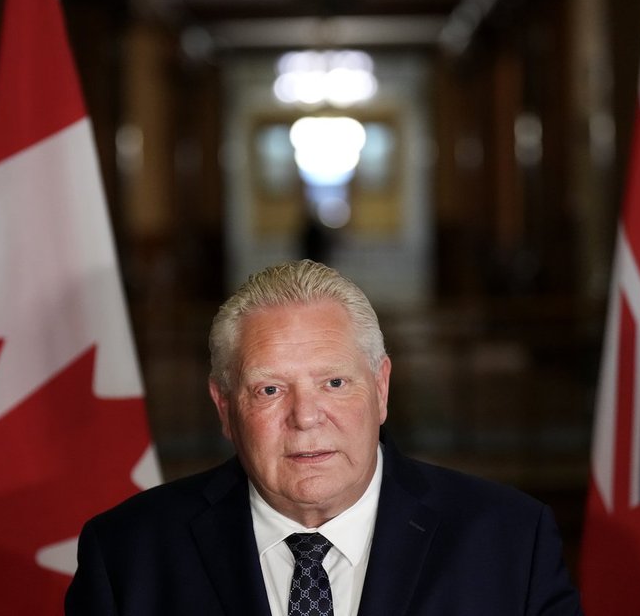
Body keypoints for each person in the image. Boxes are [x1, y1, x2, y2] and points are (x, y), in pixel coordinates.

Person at [65, 260, 583, 615]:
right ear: (224, 408)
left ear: (380, 389)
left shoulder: (511, 542)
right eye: (269, 389)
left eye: (334, 383)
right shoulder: (127, 555)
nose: (305, 417)